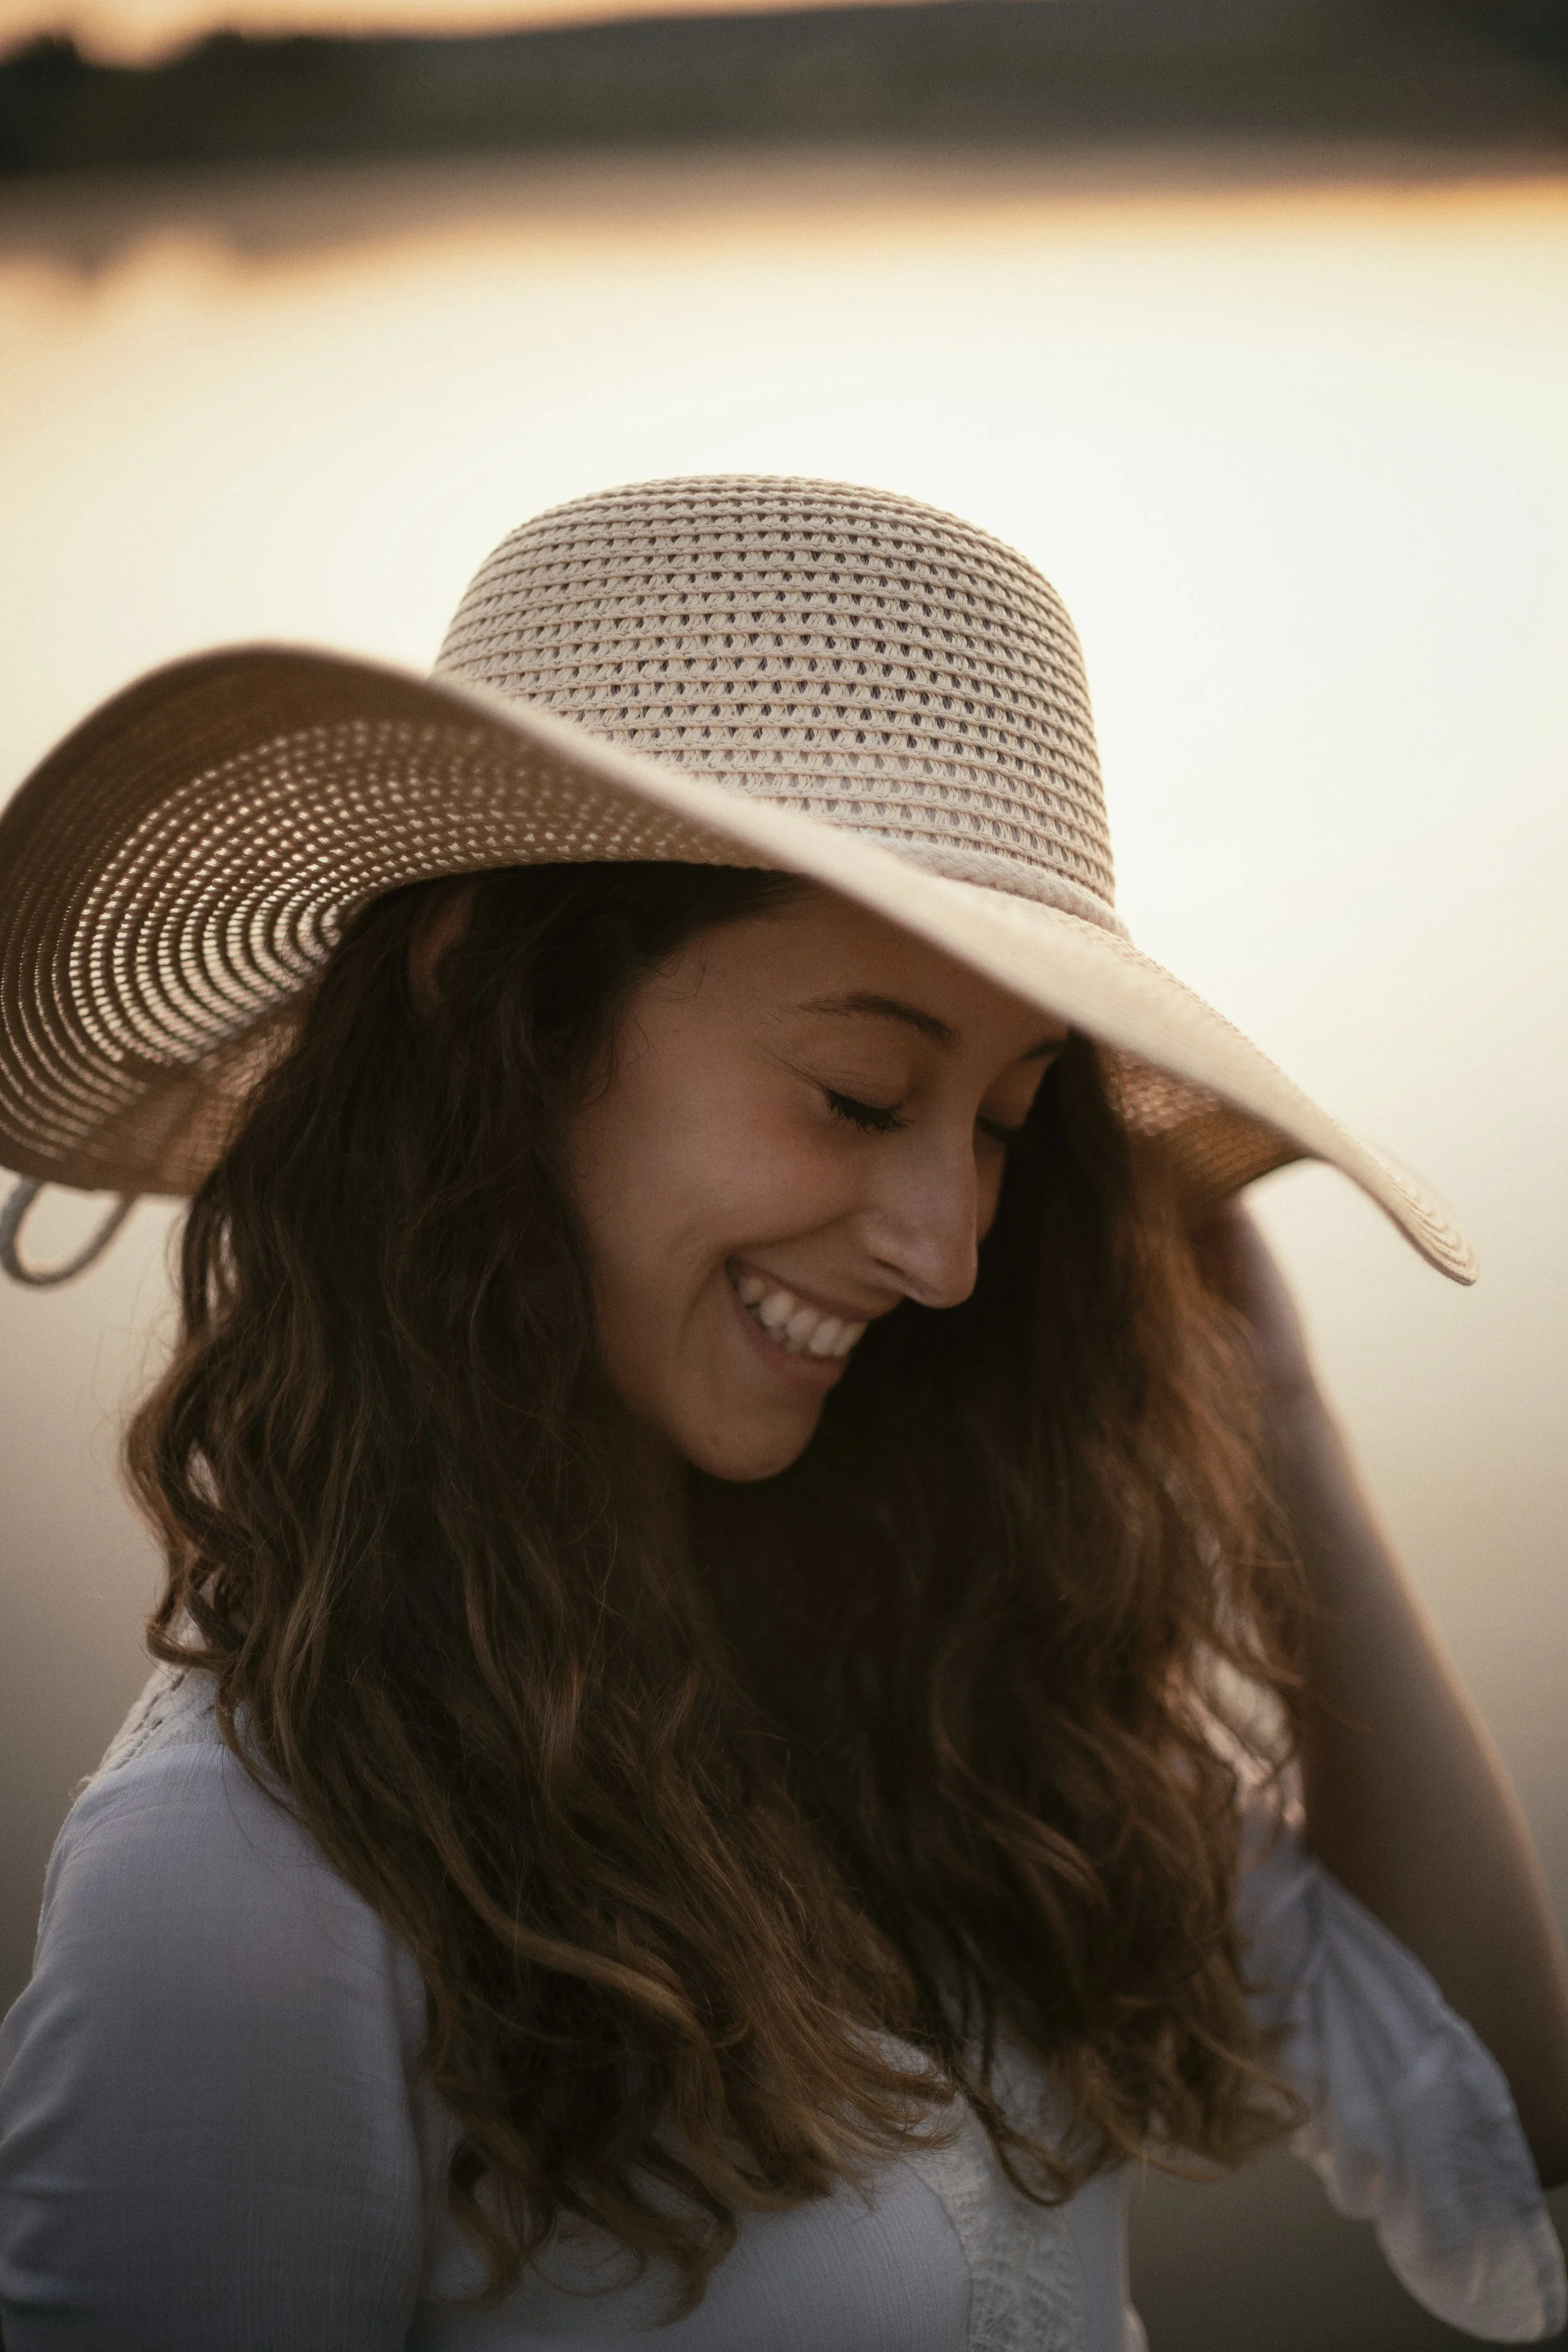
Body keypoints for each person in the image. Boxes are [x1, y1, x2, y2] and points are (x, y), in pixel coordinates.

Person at [0, 476, 1565, 2351]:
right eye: (854, 1092)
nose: (950, 1248)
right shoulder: (246, 1877)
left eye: (1002, 1121)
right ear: (507, 1023)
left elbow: (1507, 2153)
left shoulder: (956, 1681)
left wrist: (1277, 1414)